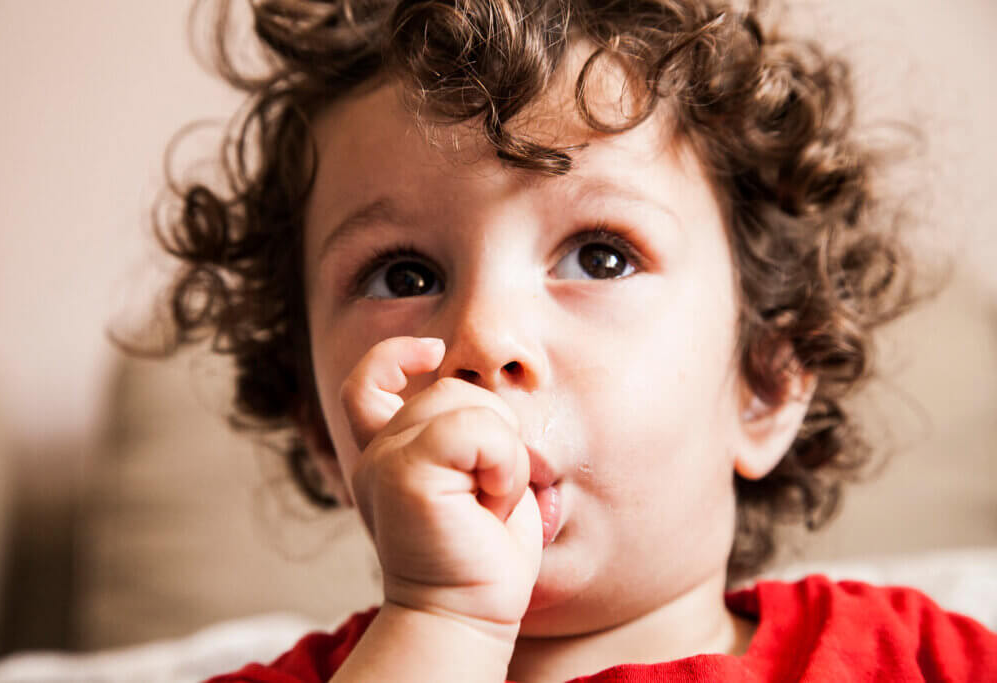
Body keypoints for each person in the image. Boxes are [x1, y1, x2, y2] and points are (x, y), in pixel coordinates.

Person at [146, 0, 997, 680]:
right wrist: (442, 619)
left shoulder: (919, 659)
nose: (483, 335)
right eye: (404, 277)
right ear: (320, 432)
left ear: (764, 381)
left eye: (600, 254)